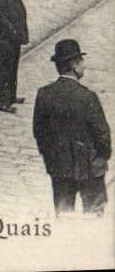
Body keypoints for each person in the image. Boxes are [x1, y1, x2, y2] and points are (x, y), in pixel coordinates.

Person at [32, 39, 111, 215]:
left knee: (63, 215)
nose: (84, 66)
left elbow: (39, 132)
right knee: (94, 216)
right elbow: (102, 134)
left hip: (59, 167)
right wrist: (101, 157)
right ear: (75, 65)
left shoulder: (44, 94)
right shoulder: (88, 97)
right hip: (90, 168)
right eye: (82, 62)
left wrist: (51, 158)